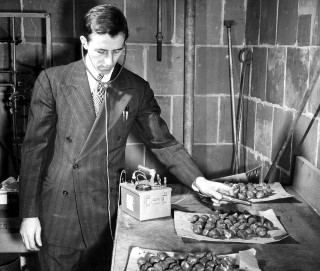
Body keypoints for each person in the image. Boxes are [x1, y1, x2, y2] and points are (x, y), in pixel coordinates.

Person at [19, 4, 234, 271]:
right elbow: (34, 152)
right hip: (59, 212)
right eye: (101, 51)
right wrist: (29, 214)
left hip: (106, 215)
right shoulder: (53, 81)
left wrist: (199, 181)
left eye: (117, 51)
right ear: (84, 42)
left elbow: (162, 142)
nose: (109, 61)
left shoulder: (136, 88)